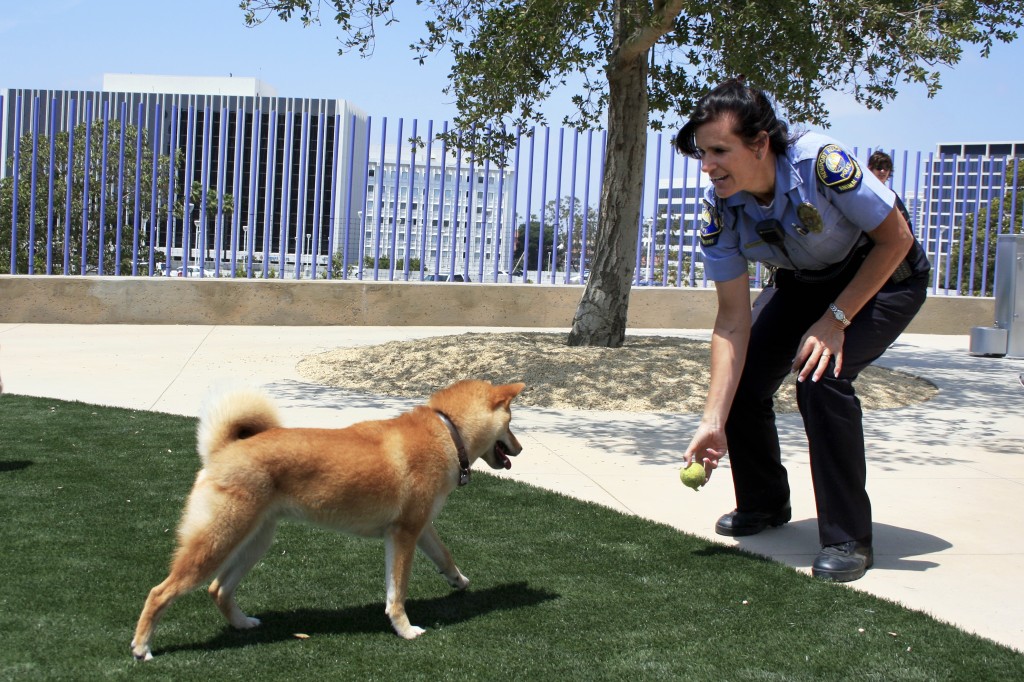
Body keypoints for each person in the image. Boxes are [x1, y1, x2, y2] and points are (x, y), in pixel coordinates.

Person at [674, 78, 930, 582]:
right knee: (743, 384)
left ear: (760, 143)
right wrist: (712, 417)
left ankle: (848, 536)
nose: (708, 166)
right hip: (805, 282)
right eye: (702, 153)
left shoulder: (821, 164)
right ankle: (765, 504)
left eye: (720, 151)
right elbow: (731, 322)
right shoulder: (718, 210)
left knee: (821, 375)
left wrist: (836, 321)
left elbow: (895, 238)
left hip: (885, 276)